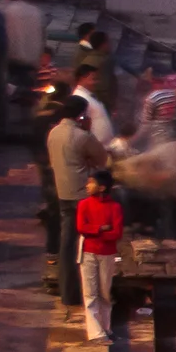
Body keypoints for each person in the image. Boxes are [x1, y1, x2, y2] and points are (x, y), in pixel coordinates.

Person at [43, 87, 105, 305]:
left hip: (62, 194)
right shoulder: (81, 136)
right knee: (87, 248)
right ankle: (86, 291)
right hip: (81, 197)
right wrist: (88, 131)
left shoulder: (53, 133)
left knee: (67, 244)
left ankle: (68, 294)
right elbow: (102, 159)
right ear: (81, 115)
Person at [73, 167, 122, 340]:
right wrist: (101, 228)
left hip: (107, 254)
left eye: (91, 183)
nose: (87, 186)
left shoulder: (114, 207)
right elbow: (81, 228)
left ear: (102, 187)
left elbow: (116, 233)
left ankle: (106, 328)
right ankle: (95, 333)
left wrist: (93, 232)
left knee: (105, 292)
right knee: (90, 293)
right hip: (88, 252)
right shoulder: (83, 204)